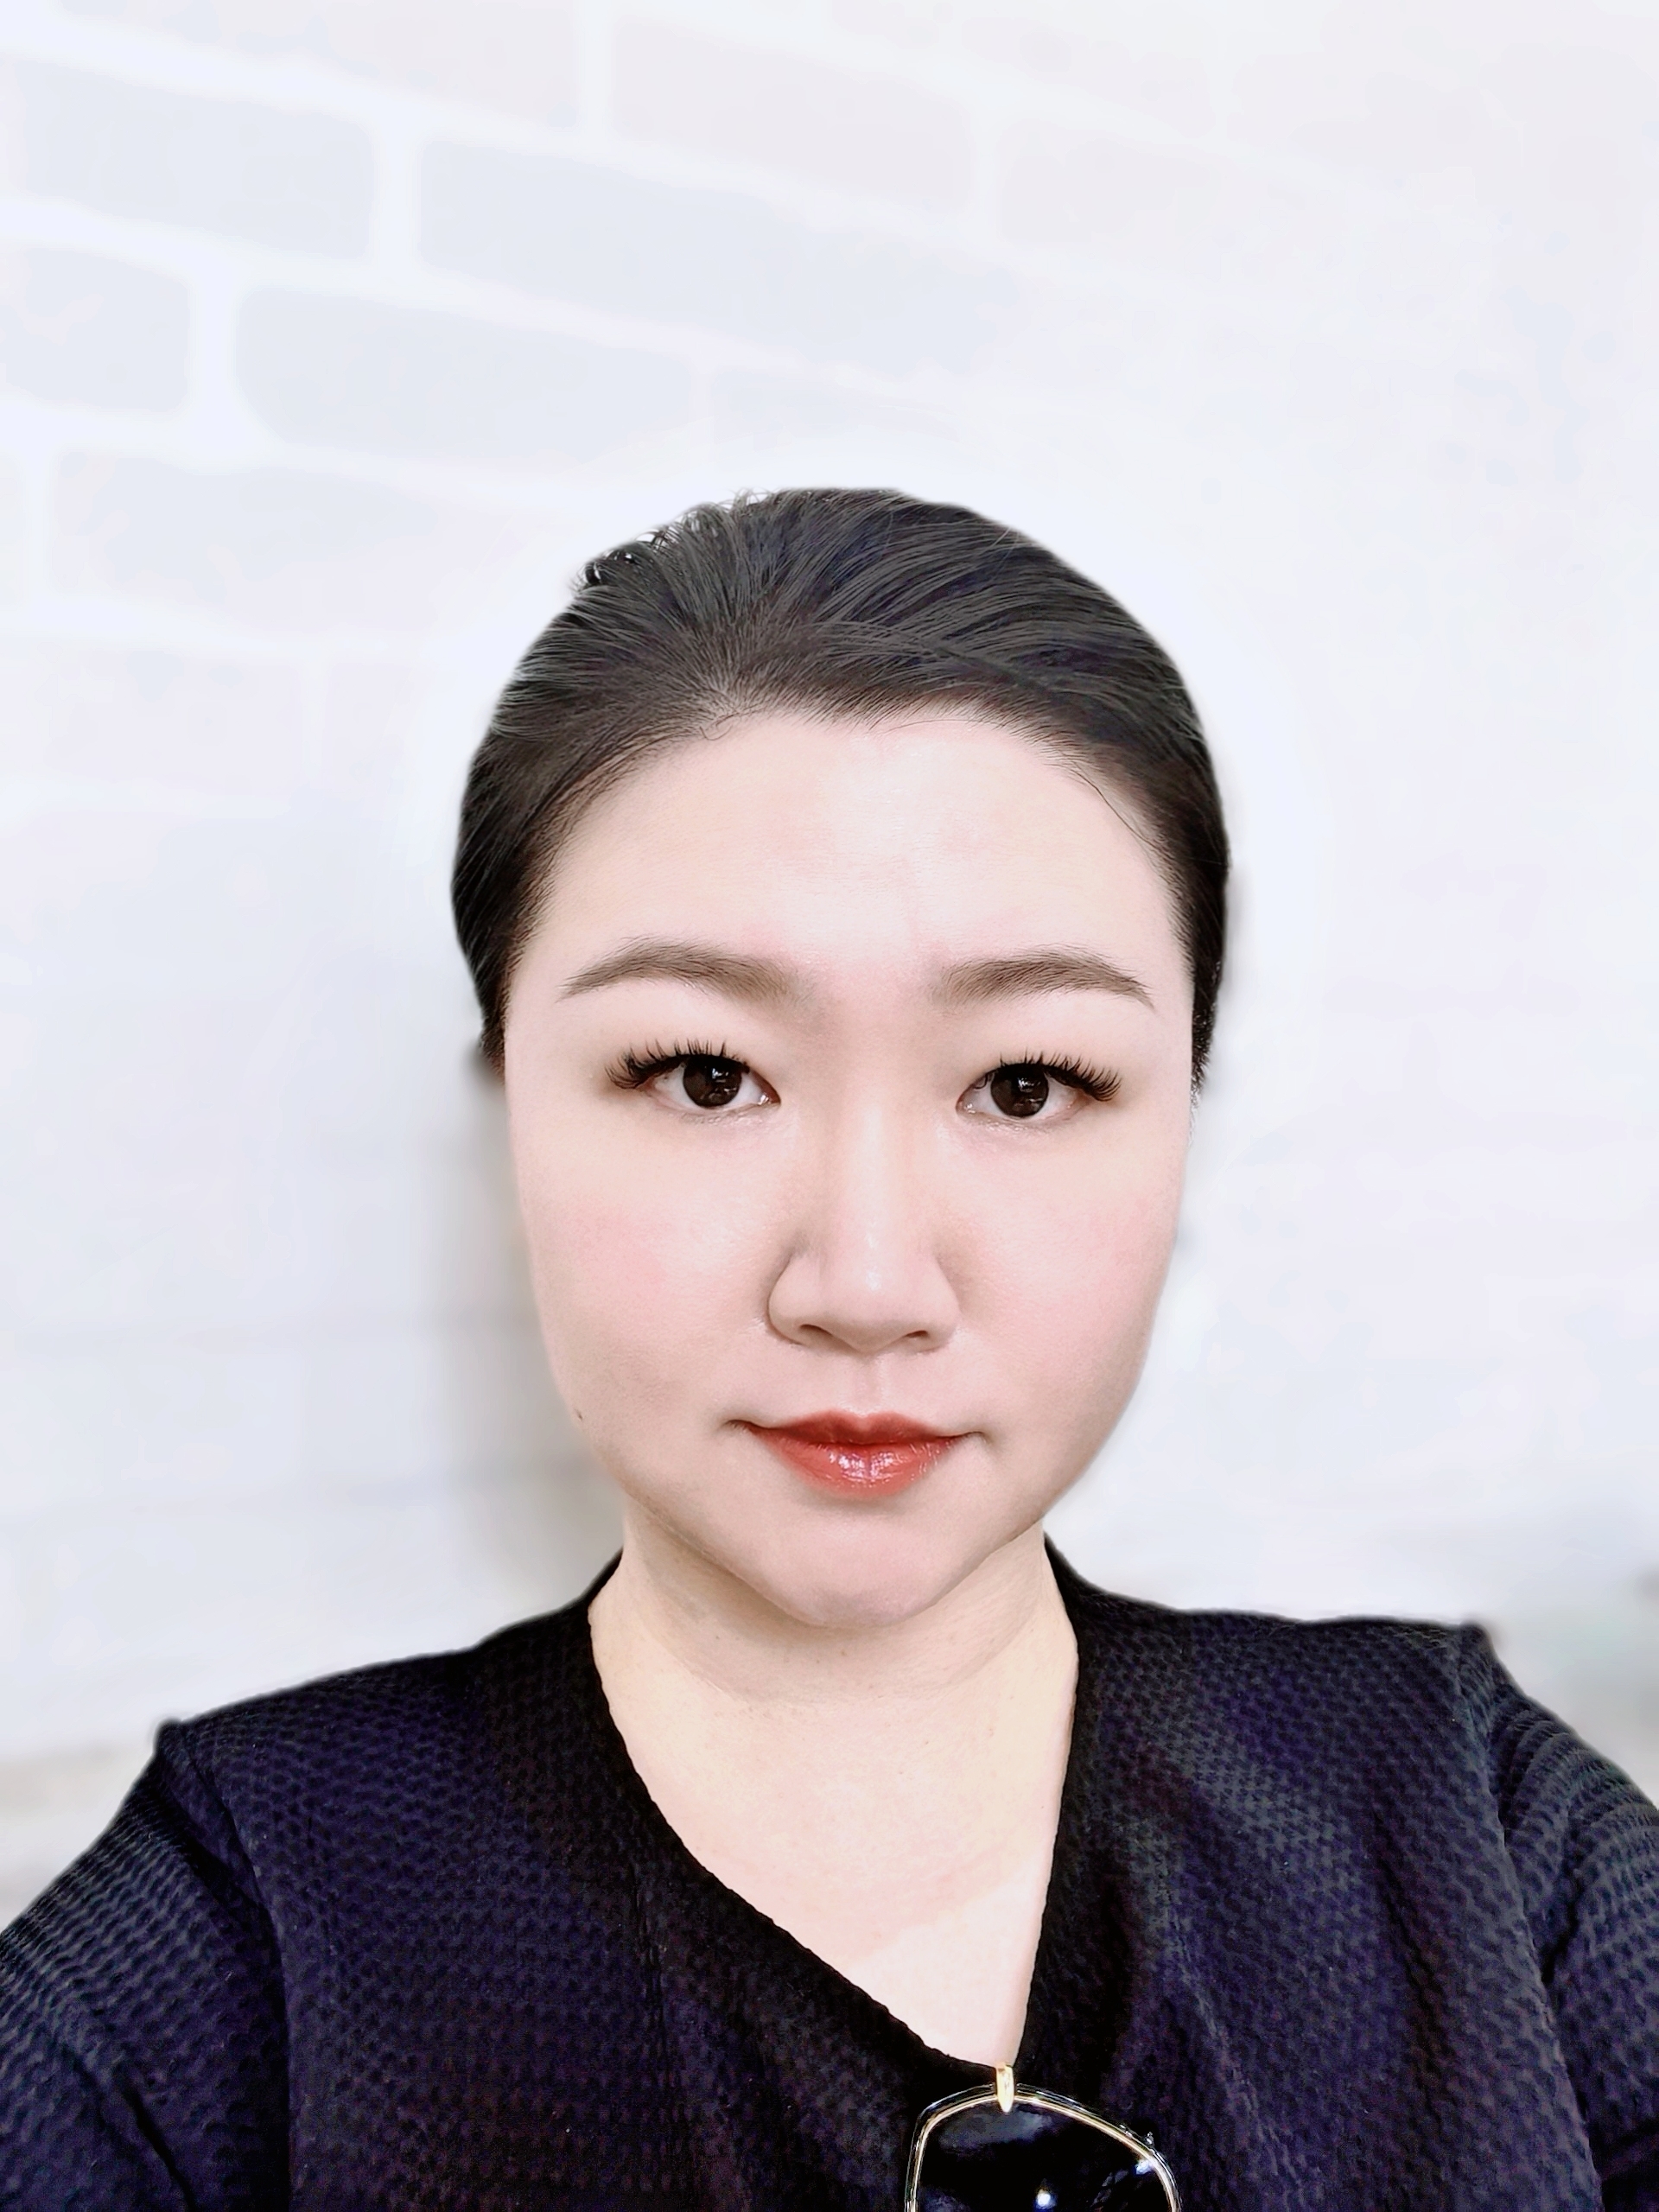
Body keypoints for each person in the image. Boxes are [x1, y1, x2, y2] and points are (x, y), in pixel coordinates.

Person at [1, 489, 1654, 2210]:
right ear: (507, 1114)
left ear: (1183, 1115)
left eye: (1029, 1083)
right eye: (705, 1074)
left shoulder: (1472, 1821)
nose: (866, 1284)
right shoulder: (238, 1940)